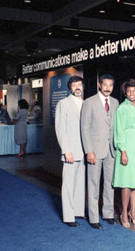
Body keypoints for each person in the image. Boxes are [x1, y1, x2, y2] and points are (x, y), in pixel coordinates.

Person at [81, 74, 119, 229]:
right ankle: (93, 217)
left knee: (110, 184)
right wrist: (89, 151)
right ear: (99, 85)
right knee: (93, 184)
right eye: (105, 85)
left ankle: (108, 214)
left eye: (110, 85)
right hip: (95, 151)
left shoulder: (116, 102)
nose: (108, 88)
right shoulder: (89, 102)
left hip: (111, 151)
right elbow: (84, 128)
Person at [113, 79, 135, 228]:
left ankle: (133, 212)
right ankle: (124, 213)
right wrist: (123, 151)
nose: (132, 93)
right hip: (127, 146)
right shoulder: (122, 108)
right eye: (129, 91)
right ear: (125, 93)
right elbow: (119, 130)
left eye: (134, 91)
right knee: (126, 182)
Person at [55, 75, 86, 227]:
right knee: (68, 184)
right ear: (70, 87)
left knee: (80, 183)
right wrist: (66, 150)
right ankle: (68, 216)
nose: (77, 87)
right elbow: (60, 129)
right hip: (70, 152)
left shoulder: (85, 104)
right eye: (74, 85)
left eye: (80, 84)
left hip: (84, 151)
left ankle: (78, 211)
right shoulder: (63, 103)